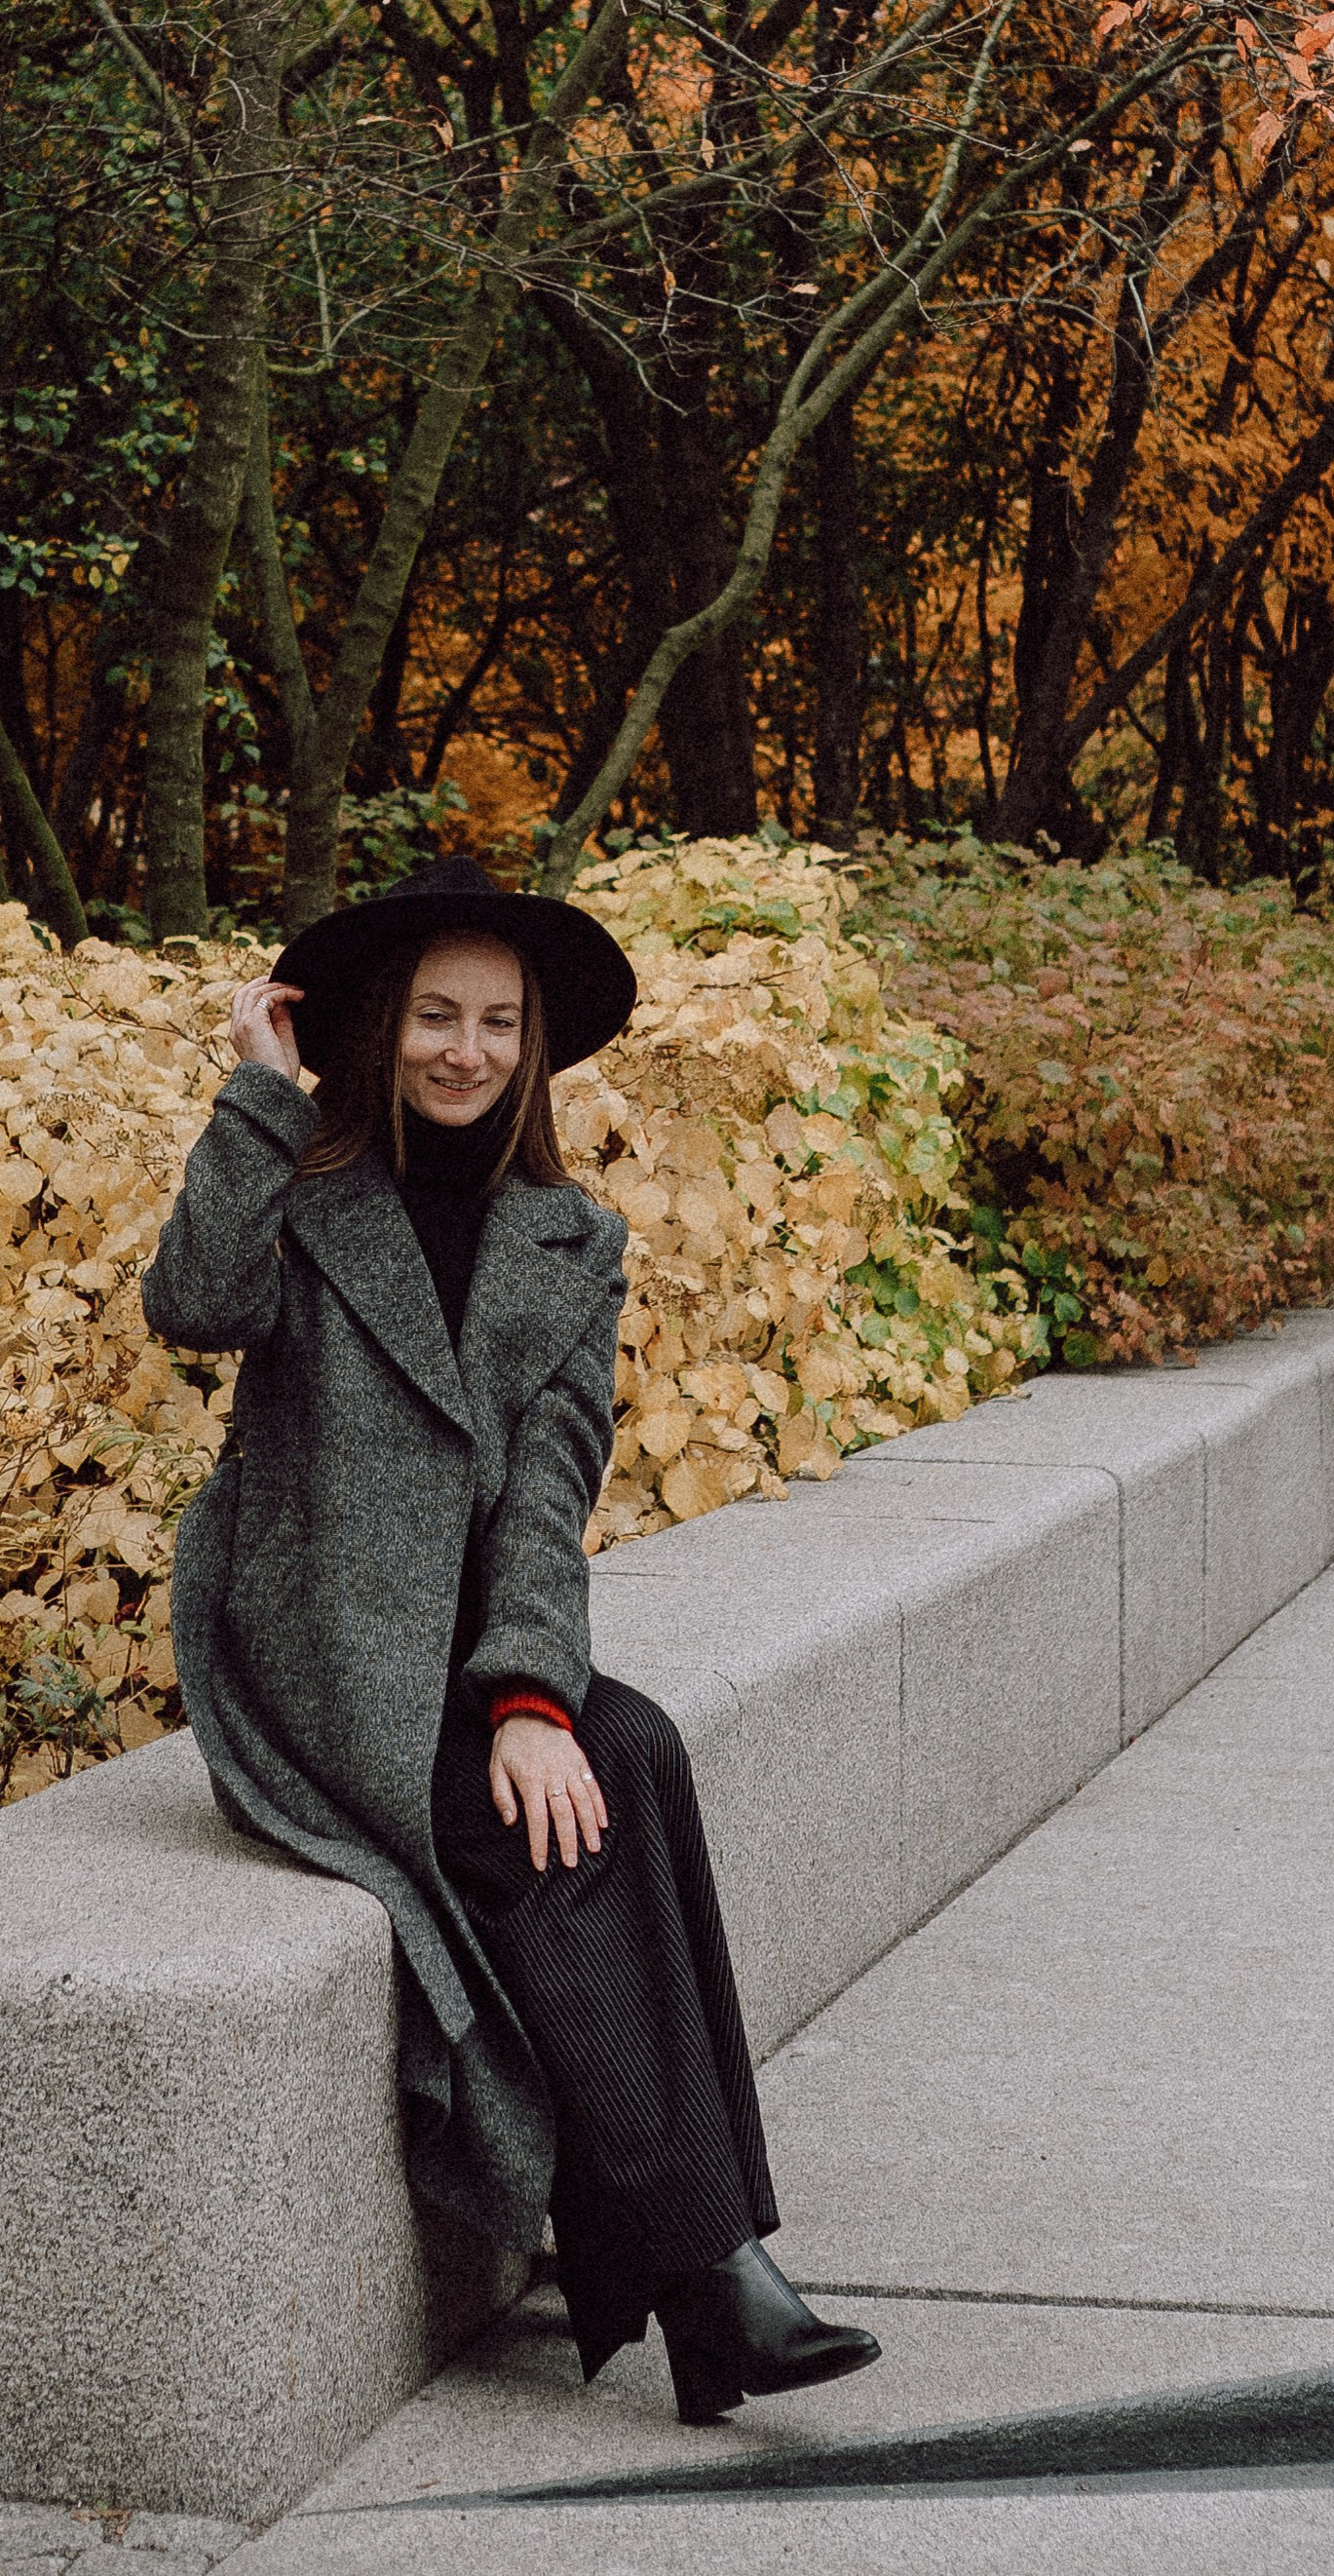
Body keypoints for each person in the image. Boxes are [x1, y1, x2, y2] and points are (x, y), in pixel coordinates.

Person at [146, 856, 879, 2427]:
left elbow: (551, 1490)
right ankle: (715, 2276)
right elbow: (193, 1305)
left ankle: (710, 2282)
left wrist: (533, 1690)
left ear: (533, 1045)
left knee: (628, 1747)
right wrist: (255, 1093)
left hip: (474, 1648)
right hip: (318, 1652)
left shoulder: (569, 1237)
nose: (464, 1049)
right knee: (547, 1821)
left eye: (496, 1021)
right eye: (432, 1016)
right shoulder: (305, 1192)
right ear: (376, 1024)